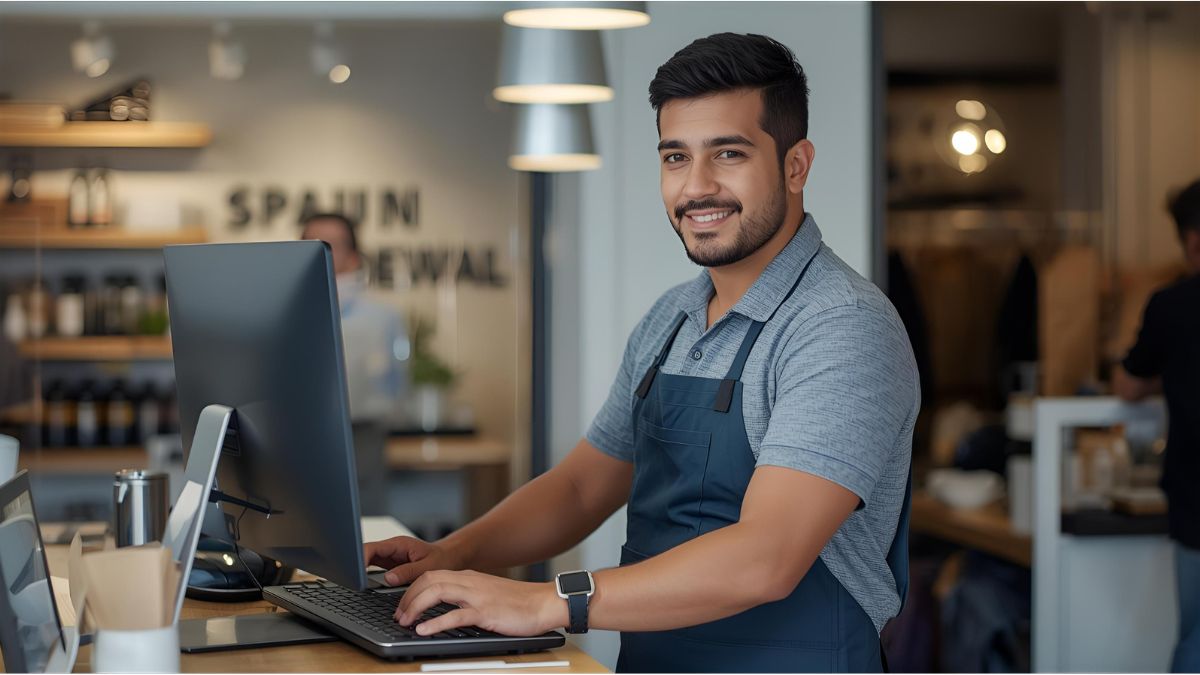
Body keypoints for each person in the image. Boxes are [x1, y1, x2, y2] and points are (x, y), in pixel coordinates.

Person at [363, 33, 918, 672]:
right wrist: (452, 553)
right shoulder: (672, 317)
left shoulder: (839, 326)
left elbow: (766, 559)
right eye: (675, 157)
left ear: (796, 165)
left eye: (729, 154)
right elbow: (579, 489)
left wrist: (547, 602)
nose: (697, 187)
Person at [1116, 178, 1200, 673]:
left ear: (1192, 240)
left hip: (1196, 502)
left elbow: (1129, 384)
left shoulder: (1175, 305)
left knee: (1194, 638)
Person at [301, 212, 408, 515]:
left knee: (365, 526)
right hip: (297, 439)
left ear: (354, 257)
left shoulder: (383, 318)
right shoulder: (280, 313)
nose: (320, 253)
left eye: (330, 245)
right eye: (310, 243)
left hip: (360, 440)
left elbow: (398, 388)